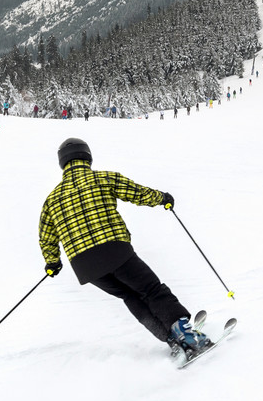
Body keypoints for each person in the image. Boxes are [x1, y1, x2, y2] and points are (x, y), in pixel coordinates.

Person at [39, 138, 211, 356]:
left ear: (62, 163)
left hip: (85, 267)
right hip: (114, 250)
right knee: (151, 290)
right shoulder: (103, 178)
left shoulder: (51, 199)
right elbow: (137, 193)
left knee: (130, 296)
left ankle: (172, 340)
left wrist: (52, 262)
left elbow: (46, 236)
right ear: (87, 156)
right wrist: (162, 198)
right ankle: (187, 336)